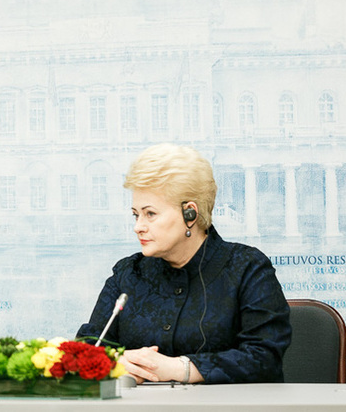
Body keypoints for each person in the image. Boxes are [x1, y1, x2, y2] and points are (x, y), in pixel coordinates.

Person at [77, 144, 291, 384]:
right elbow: (86, 346)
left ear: (190, 213)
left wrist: (181, 369)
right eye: (136, 214)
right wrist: (114, 361)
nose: (138, 226)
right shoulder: (128, 273)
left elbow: (264, 358)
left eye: (150, 214)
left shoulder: (247, 268)